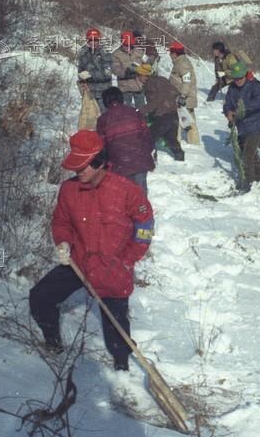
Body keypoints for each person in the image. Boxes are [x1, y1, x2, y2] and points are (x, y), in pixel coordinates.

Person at [29, 130, 154, 371]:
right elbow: (61, 222)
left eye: (84, 166)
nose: (79, 172)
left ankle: (122, 366)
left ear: (100, 162)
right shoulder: (69, 190)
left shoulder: (127, 191)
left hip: (113, 268)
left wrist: (128, 259)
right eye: (76, 167)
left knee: (116, 331)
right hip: (78, 262)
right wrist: (63, 242)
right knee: (40, 298)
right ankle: (53, 345)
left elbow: (144, 227)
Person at [96, 87, 155, 195]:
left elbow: (102, 147)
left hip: (119, 164)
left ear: (105, 102)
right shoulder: (134, 113)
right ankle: (143, 210)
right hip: (140, 160)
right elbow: (147, 137)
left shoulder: (102, 120)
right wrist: (146, 153)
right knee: (140, 194)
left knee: (123, 195)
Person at [223, 61, 260, 192]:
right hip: (241, 127)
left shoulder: (255, 85)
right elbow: (227, 104)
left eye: (240, 78)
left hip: (255, 125)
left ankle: (247, 181)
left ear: (245, 75)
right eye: (235, 78)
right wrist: (228, 112)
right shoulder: (232, 88)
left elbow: (258, 103)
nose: (238, 81)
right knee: (250, 153)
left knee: (247, 154)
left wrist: (242, 109)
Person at [135, 64, 185, 162]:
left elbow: (154, 103)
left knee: (149, 137)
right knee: (171, 138)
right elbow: (175, 91)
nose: (137, 78)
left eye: (138, 75)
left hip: (163, 115)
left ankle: (150, 159)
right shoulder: (162, 79)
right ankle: (180, 157)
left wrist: (140, 111)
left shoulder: (149, 85)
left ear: (144, 76)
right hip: (173, 114)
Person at [168, 41, 200, 145]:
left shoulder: (182, 64)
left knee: (178, 121)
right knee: (189, 121)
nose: (169, 55)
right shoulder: (180, 62)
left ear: (175, 53)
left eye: (170, 52)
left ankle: (176, 141)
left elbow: (187, 81)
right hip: (186, 97)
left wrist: (182, 96)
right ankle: (194, 142)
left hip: (184, 98)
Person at [77, 27, 113, 113]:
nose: (93, 43)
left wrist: (90, 74)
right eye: (91, 40)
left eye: (95, 40)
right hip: (89, 92)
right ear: (87, 41)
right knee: (90, 119)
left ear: (99, 40)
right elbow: (80, 70)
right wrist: (82, 79)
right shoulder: (83, 53)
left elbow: (107, 73)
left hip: (104, 92)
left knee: (105, 116)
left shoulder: (105, 53)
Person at [110, 31, 146, 110]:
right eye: (126, 46)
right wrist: (126, 72)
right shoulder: (115, 55)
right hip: (125, 88)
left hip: (139, 86)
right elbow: (115, 69)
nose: (128, 48)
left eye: (131, 46)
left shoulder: (138, 51)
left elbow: (143, 63)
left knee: (143, 111)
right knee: (126, 111)